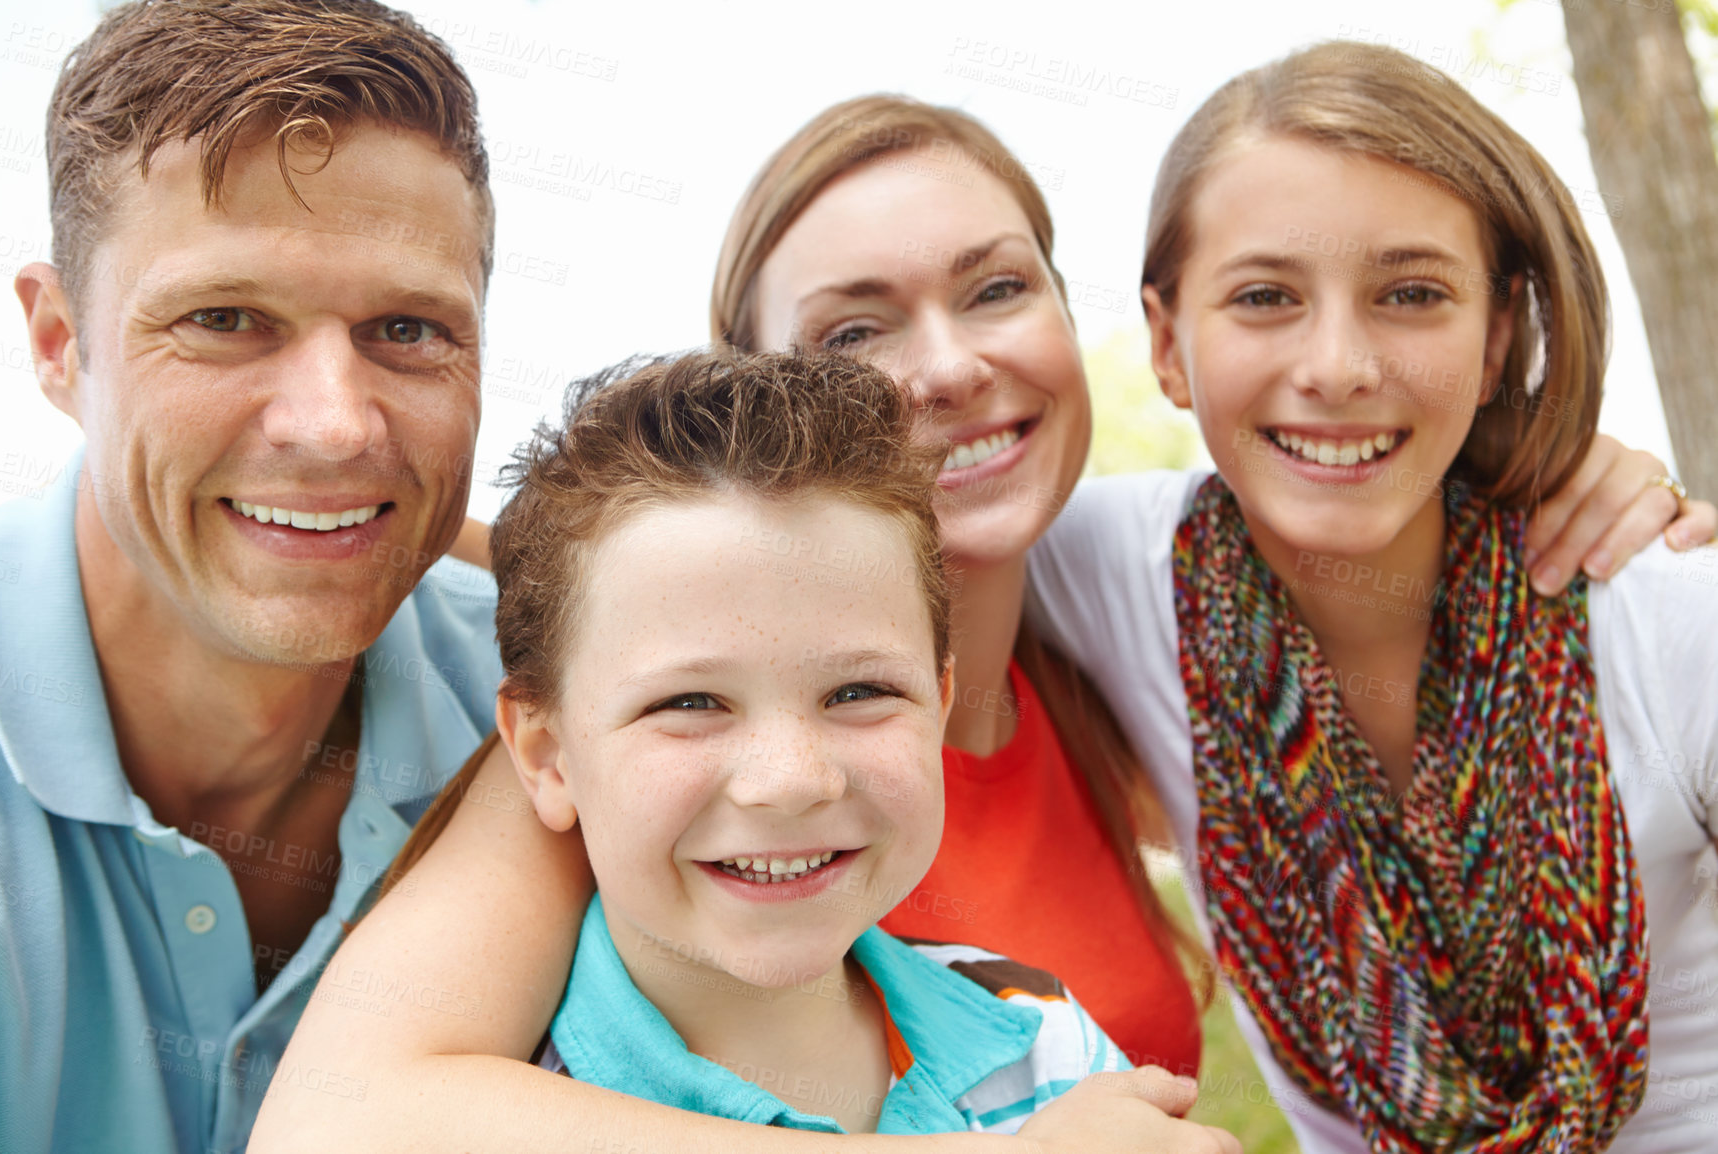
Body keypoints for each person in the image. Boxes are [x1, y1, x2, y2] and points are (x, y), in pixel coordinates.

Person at [266, 86, 1712, 1151]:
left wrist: (1548, 464)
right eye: (854, 331)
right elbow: (348, 1116)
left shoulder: (1121, 605)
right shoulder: (674, 762)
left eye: (996, 288)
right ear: (766, 408)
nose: (949, 366)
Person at [1023, 39, 1718, 1154]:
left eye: (1410, 293)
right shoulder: (1100, 569)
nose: (1338, 364)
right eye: (1262, 297)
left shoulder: (1667, 616)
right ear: (1166, 343)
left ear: (1496, 336)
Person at [0, 2, 519, 1152]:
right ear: (57, 342)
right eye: (224, 318)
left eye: (408, 329)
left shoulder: (558, 712)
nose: (332, 426)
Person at [424, 350, 1138, 1135]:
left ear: (939, 703)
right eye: (690, 702)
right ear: (545, 754)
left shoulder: (1045, 1043)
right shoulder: (464, 1119)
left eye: (860, 692)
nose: (793, 780)